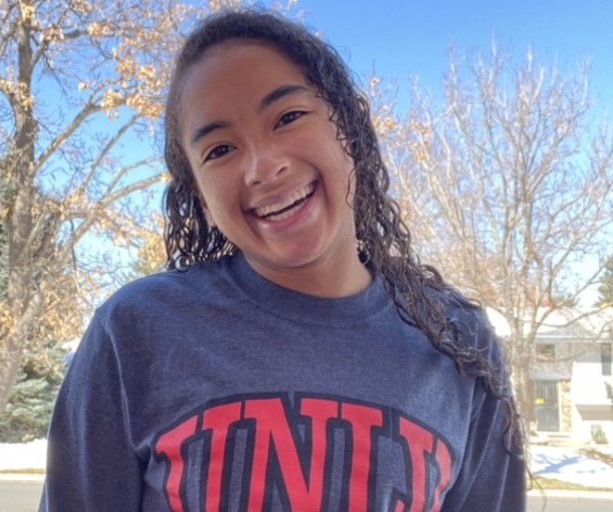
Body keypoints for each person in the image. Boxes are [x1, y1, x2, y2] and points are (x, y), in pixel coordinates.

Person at [39, 8, 526, 511]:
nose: (263, 166)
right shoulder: (135, 332)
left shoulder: (458, 343)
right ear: (202, 199)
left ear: (348, 128)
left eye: (288, 117)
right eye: (220, 149)